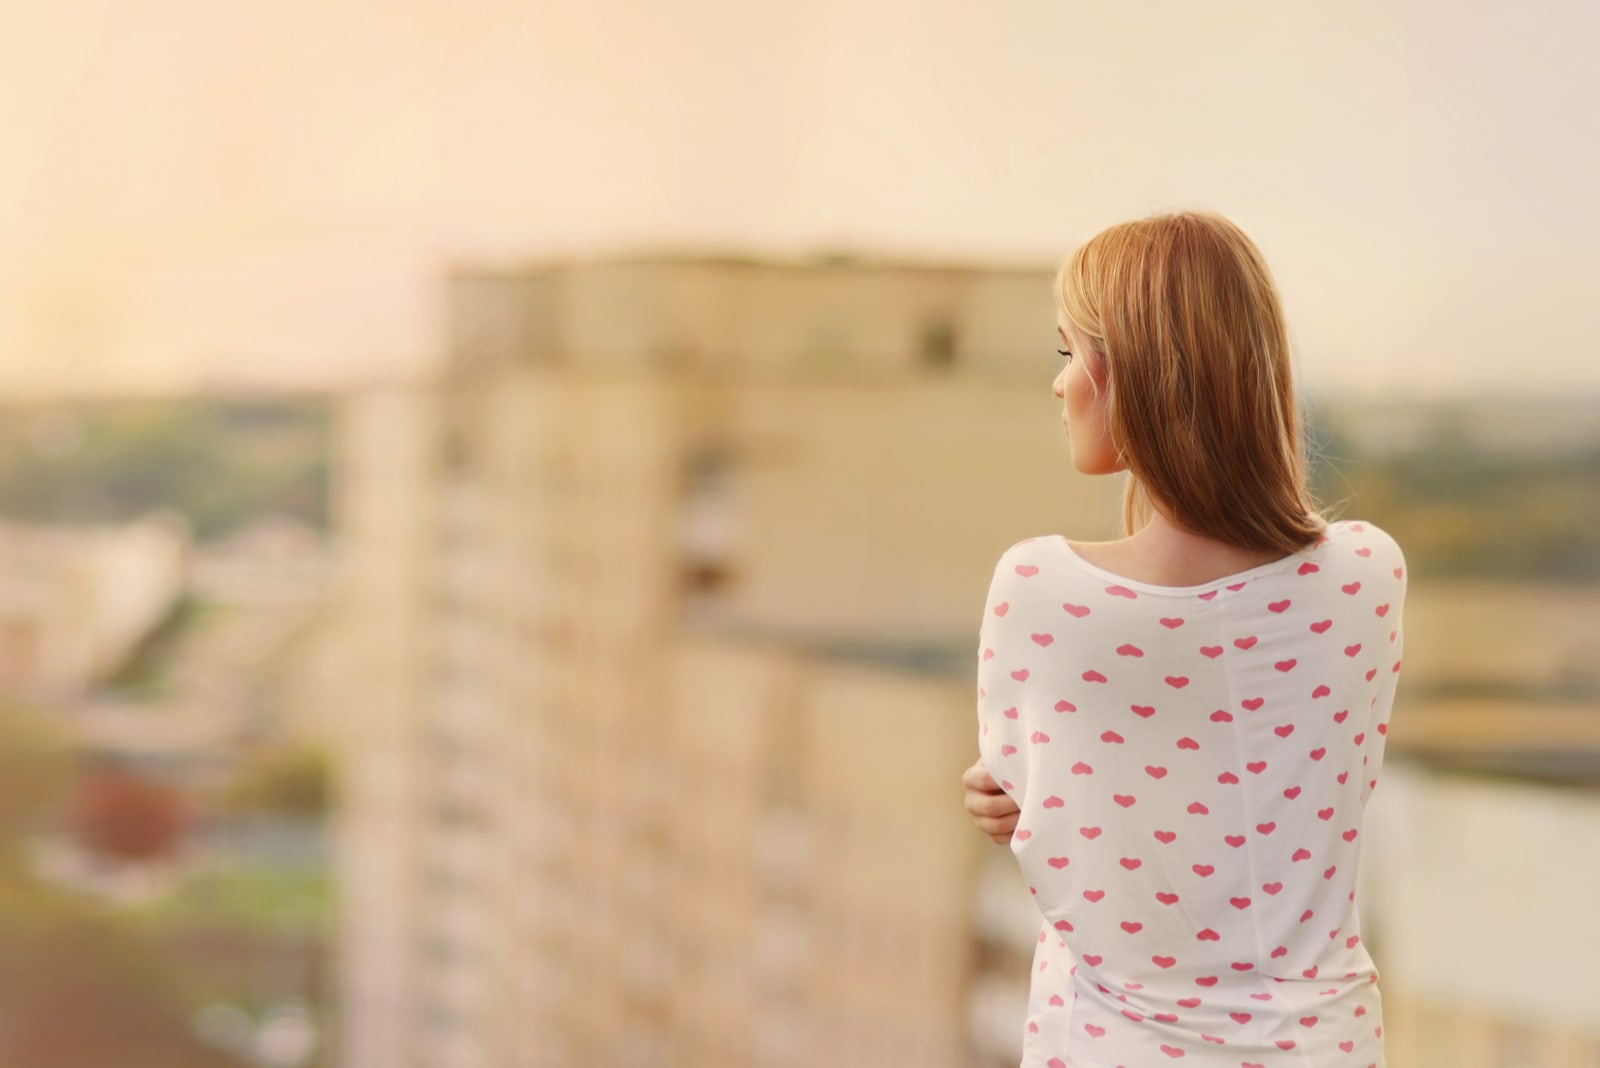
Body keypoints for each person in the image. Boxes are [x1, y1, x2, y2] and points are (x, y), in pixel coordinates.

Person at [962, 210, 1405, 1067]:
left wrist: (1030, 793)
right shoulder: (1367, 578)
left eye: (1068, 353)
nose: (1058, 386)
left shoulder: (1043, 591)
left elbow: (1028, 795)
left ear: (1136, 374)